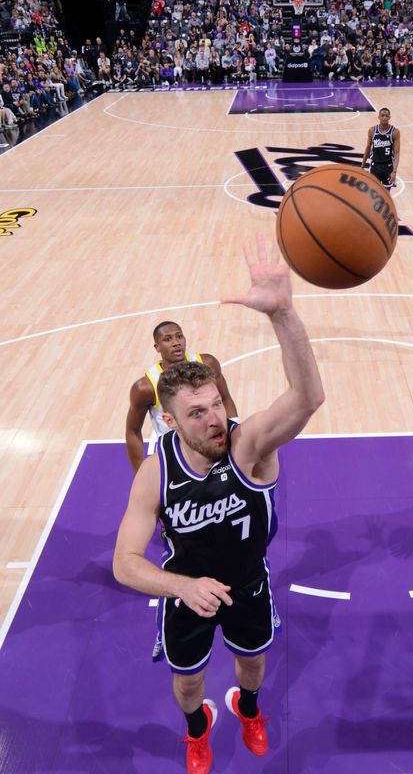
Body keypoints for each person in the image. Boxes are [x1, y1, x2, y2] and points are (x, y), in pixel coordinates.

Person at [113, 239, 325, 774]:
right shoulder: (156, 471)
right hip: (185, 591)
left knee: (252, 664)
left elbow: (306, 398)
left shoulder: (247, 446)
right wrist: (182, 586)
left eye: (215, 405)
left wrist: (284, 315)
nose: (212, 420)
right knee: (187, 681)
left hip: (248, 582)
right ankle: (197, 729)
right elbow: (125, 562)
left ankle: (247, 709)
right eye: (196, 413)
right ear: (172, 421)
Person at [125, 322, 237, 473]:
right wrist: (140, 474)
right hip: (178, 456)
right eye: (168, 339)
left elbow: (225, 397)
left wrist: (235, 434)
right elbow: (132, 431)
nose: (176, 343)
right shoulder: (146, 387)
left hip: (213, 442)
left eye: (179, 336)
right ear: (157, 347)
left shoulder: (208, 363)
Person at [360, 106, 401, 189]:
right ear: (379, 117)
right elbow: (368, 148)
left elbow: (396, 153)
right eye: (382, 115)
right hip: (375, 166)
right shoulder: (372, 130)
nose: (384, 117)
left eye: (386, 116)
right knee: (373, 193)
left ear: (389, 117)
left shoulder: (395, 132)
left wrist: (394, 171)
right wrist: (362, 165)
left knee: (386, 193)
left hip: (388, 166)